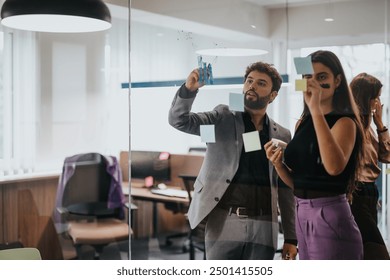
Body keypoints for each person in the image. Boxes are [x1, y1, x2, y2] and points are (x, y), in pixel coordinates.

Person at [168, 61, 297, 260]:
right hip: (225, 220)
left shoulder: (282, 135)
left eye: (261, 83)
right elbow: (180, 121)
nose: (252, 86)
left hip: (265, 223)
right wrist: (189, 90)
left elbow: (286, 190)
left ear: (273, 95)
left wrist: (291, 237)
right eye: (249, 80)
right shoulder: (222, 119)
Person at [265, 50, 364, 259]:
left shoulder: (344, 122)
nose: (314, 83)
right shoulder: (303, 122)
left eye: (322, 77)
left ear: (337, 81)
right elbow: (299, 183)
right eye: (309, 77)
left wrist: (316, 110)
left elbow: (334, 167)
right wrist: (278, 164)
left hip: (329, 214)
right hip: (302, 211)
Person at [349, 73, 390, 259]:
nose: (378, 102)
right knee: (379, 255)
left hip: (370, 193)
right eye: (376, 97)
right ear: (366, 98)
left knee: (366, 253)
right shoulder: (349, 123)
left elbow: (386, 156)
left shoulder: (370, 127)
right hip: (355, 192)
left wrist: (380, 123)